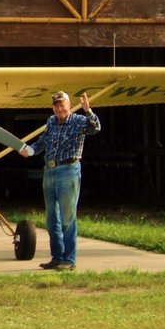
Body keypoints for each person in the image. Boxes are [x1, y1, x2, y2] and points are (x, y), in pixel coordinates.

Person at [19, 91, 100, 271]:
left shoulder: (79, 121)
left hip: (68, 170)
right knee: (51, 218)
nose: (60, 108)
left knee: (67, 218)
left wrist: (89, 111)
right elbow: (42, 142)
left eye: (62, 104)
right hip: (49, 170)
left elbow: (95, 128)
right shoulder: (51, 121)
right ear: (53, 107)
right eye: (56, 105)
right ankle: (57, 258)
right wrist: (30, 150)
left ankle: (69, 260)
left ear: (69, 105)